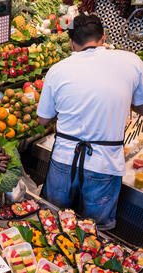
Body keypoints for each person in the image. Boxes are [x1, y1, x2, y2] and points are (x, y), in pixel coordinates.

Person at [37, 13, 143, 231]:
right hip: (104, 165)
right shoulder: (132, 61)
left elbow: (42, 120)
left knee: (52, 224)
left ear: (71, 42)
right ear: (103, 37)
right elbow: (141, 106)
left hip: (64, 160)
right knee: (95, 235)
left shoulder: (57, 70)